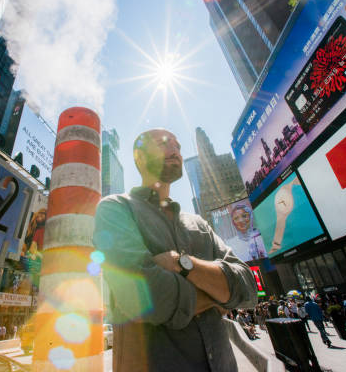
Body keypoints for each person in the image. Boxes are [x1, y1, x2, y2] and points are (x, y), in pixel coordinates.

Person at [94, 129, 257, 372]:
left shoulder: (199, 223)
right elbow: (144, 296)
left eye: (178, 146)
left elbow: (247, 288)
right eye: (164, 144)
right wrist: (218, 294)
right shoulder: (116, 209)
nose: (175, 151)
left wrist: (180, 263)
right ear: (138, 157)